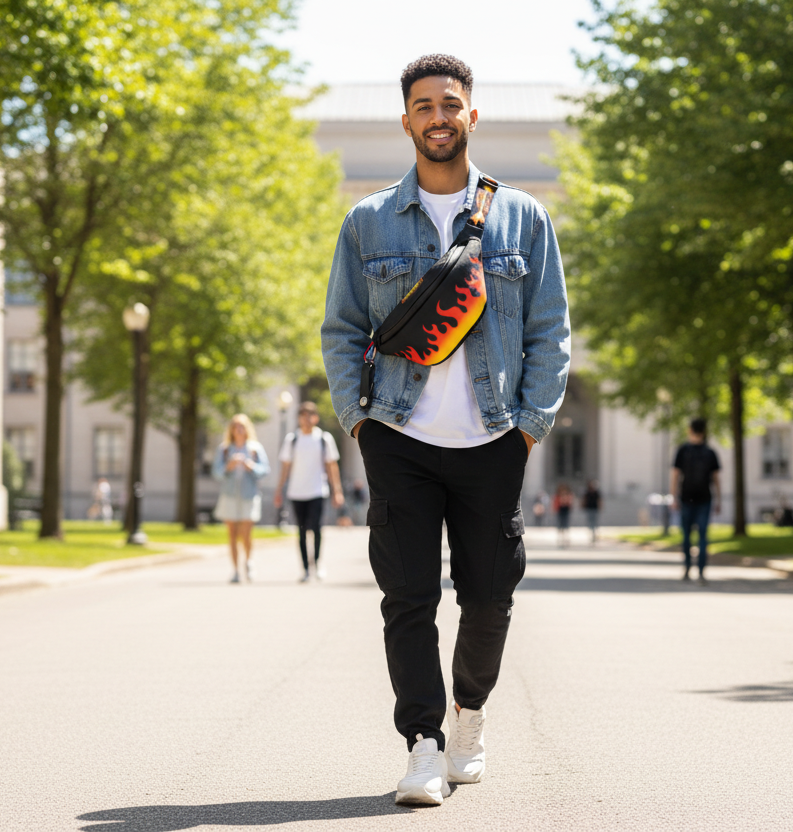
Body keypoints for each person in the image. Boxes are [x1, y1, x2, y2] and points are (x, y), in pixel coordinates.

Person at [320, 55, 570, 806]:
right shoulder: (368, 222)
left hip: (494, 438)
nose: (438, 117)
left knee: (491, 596)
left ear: (471, 115)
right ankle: (423, 744)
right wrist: (360, 421)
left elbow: (552, 330)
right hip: (399, 434)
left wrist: (529, 426)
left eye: (450, 104)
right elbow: (342, 330)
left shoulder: (521, 216)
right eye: (424, 106)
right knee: (408, 596)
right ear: (406, 121)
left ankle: (469, 714)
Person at [274, 401, 343, 582]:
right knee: (302, 531)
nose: (305, 419)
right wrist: (279, 490)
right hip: (297, 492)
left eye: (309, 415)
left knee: (316, 528)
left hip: (318, 491)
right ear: (298, 418)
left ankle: (318, 563)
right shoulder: (292, 440)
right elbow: (285, 468)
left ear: (315, 417)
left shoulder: (324, 438)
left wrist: (337, 491)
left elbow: (331, 466)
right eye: (302, 415)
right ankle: (305, 568)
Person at [212, 414, 270, 583]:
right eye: (235, 426)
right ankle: (236, 570)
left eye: (241, 426)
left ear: (246, 429)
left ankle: (249, 561)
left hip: (249, 495)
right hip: (230, 495)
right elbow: (216, 473)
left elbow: (265, 470)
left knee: (246, 532)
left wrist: (250, 466)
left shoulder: (254, 448)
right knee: (232, 533)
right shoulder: (224, 449)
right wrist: (228, 467)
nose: (238, 429)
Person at [671, 417, 722, 586]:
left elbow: (675, 476)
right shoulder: (709, 452)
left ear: (690, 430)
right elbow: (716, 479)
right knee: (701, 536)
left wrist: (673, 497)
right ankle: (699, 571)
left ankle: (689, 568)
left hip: (689, 498)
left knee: (688, 536)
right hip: (702, 498)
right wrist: (719, 499)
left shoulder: (683, 450)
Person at [553, 483, 573, 548]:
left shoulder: (568, 495)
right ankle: (560, 538)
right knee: (560, 525)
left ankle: (566, 538)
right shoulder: (558, 496)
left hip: (566, 511)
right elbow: (556, 503)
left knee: (566, 525)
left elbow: (570, 503)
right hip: (560, 511)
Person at [582, 479, 603, 544]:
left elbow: (599, 500)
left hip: (594, 508)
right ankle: (591, 532)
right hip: (589, 508)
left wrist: (600, 507)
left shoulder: (596, 492)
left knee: (595, 521)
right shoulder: (587, 492)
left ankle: (594, 533)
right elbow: (584, 500)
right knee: (590, 521)